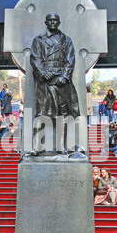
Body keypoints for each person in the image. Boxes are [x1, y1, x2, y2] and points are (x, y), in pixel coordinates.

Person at [30, 12, 80, 154]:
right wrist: (42, 73)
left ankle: (60, 146)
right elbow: (34, 58)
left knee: (62, 115)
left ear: (59, 22)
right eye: (50, 20)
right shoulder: (38, 40)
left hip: (61, 83)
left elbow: (71, 59)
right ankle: (37, 146)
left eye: (55, 20)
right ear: (46, 23)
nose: (52, 22)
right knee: (41, 114)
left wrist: (65, 76)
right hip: (45, 82)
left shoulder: (67, 40)